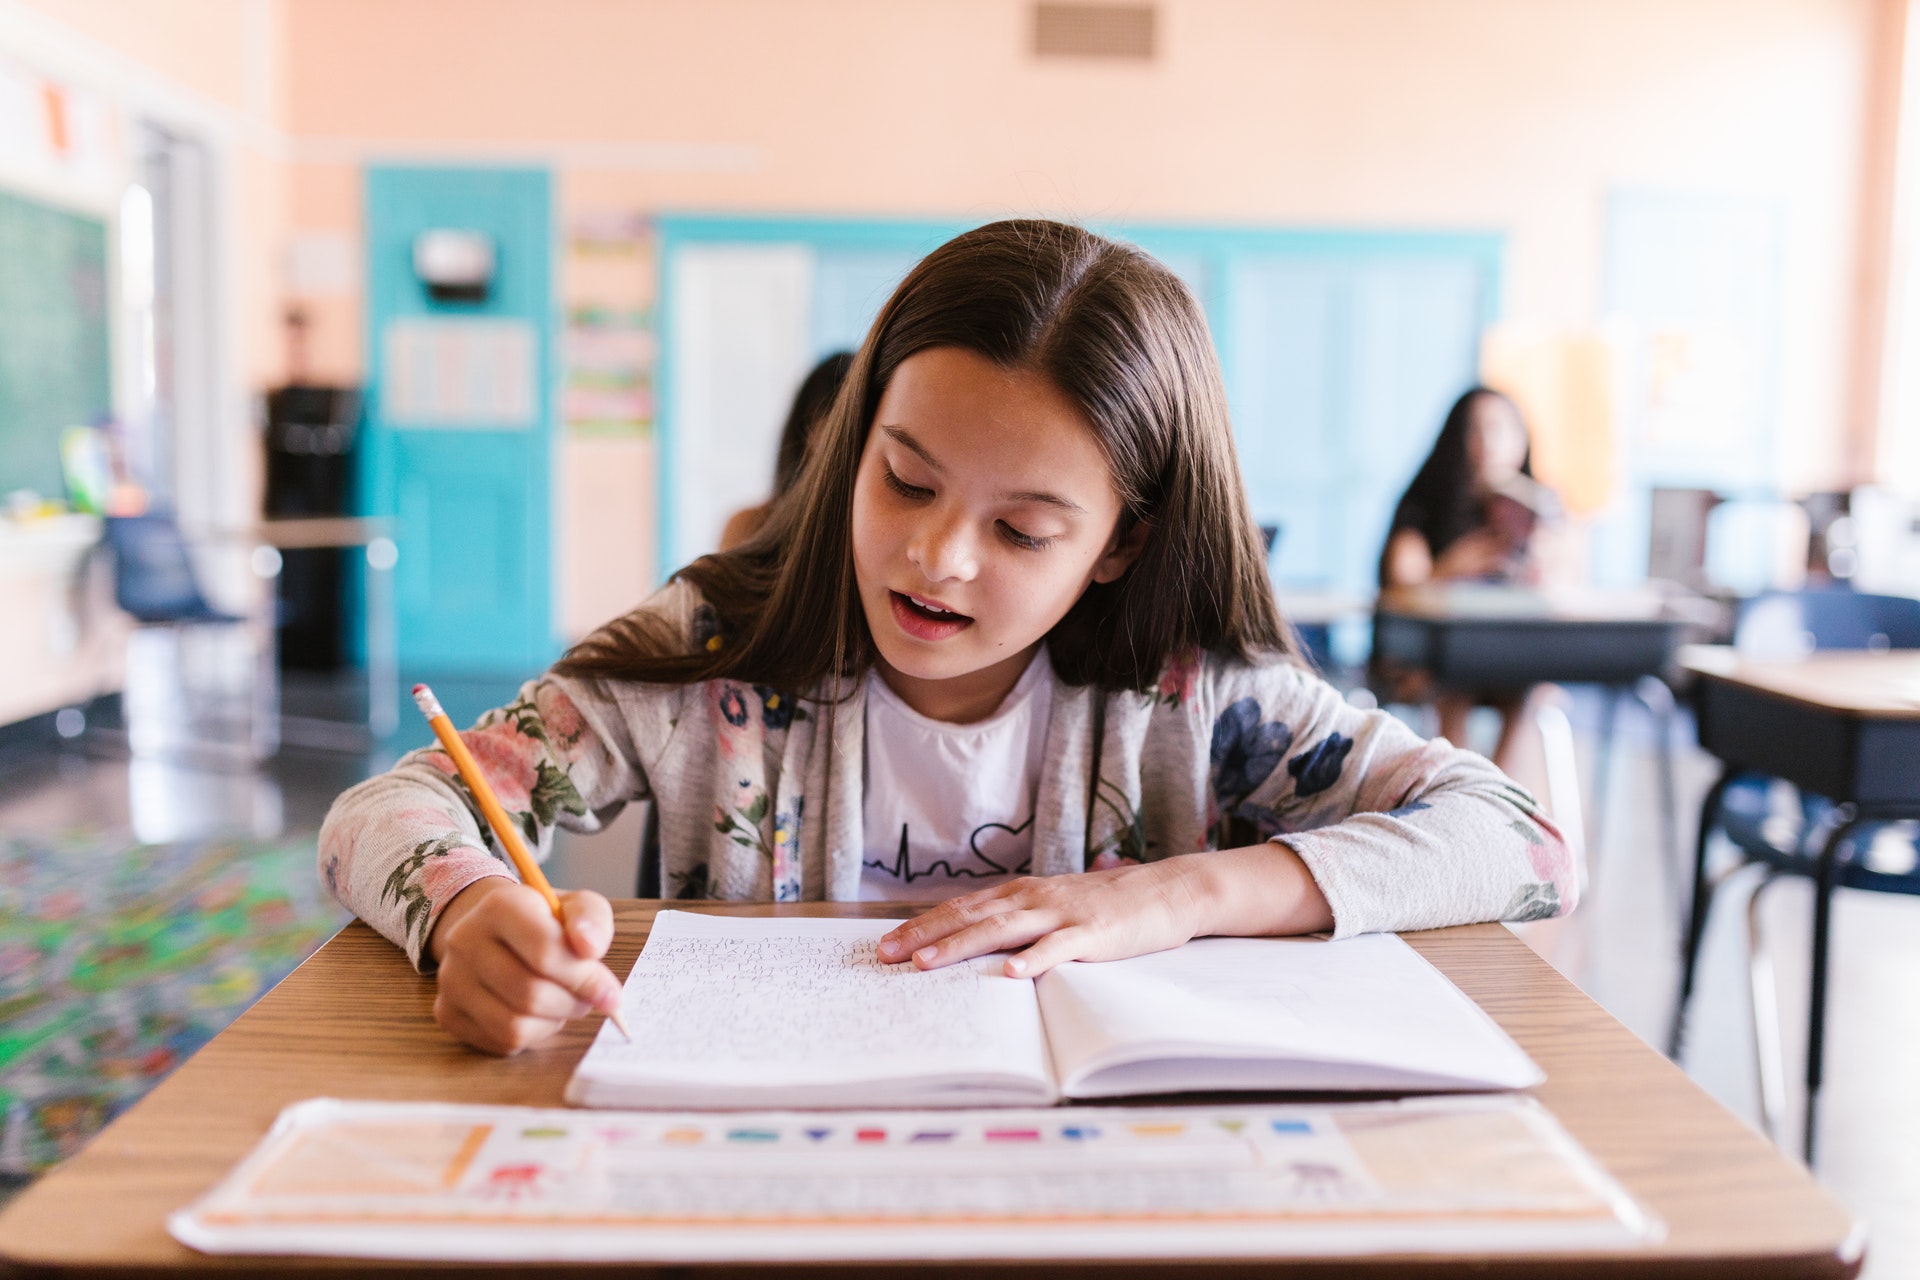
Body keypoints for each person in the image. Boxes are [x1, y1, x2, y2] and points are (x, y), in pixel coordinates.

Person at [320, 222, 1576, 1056]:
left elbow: (1526, 839)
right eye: (905, 480)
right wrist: (470, 905)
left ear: (1121, 543)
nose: (936, 557)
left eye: (1024, 529)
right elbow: (387, 808)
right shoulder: (720, 647)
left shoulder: (1192, 690)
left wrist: (1174, 893)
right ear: (852, 441)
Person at [1377, 386, 1566, 768]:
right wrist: (1457, 565)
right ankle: (1463, 793)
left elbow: (1565, 593)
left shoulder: (1539, 515)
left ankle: (1492, 793)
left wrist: (1548, 562)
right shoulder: (1425, 506)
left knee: (1526, 685)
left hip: (1508, 662)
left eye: (1503, 429)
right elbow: (1402, 583)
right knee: (1456, 677)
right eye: (1478, 430)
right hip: (1433, 662)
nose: (1490, 443)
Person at [718, 351, 854, 551]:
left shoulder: (862, 534)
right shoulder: (749, 527)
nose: (851, 447)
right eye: (840, 428)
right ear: (809, 431)